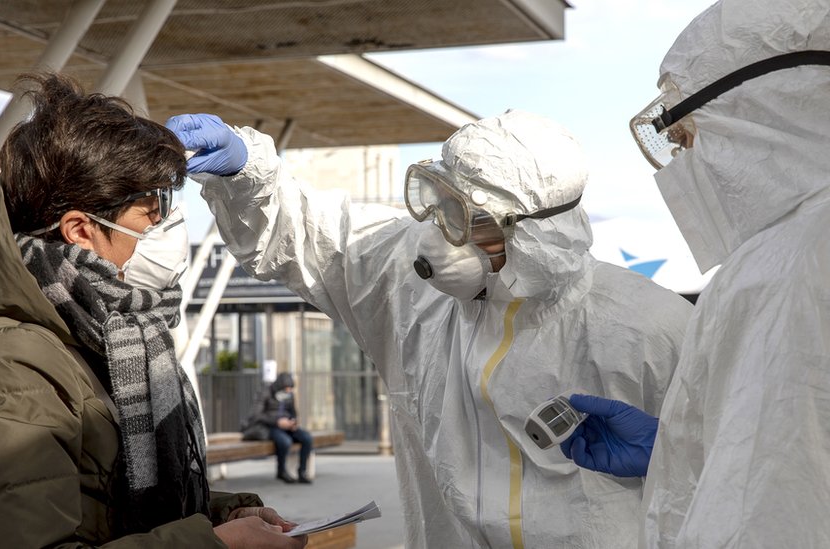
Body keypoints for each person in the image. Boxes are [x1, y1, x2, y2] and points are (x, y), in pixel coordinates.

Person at [166, 108, 694, 547]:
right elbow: (311, 234)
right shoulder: (410, 287)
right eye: (439, 203)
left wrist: (682, 456)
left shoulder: (648, 327)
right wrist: (246, 172)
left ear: (536, 234)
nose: (440, 235)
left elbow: (721, 475)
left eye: (467, 219)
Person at [0, 72, 305, 549]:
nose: (166, 225)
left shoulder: (101, 329)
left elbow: (115, 505)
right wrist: (218, 544)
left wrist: (224, 515)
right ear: (80, 230)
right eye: (150, 211)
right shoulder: (4, 370)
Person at [559, 0, 830, 546]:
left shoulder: (788, 265)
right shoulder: (803, 243)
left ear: (752, 116)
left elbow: (778, 507)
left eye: (686, 138)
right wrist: (675, 449)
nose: (683, 166)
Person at [242, 373, 314, 484]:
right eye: (286, 389)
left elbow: (293, 412)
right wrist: (277, 422)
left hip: (288, 427)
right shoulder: (265, 393)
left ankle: (302, 471)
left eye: (290, 389)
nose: (288, 391)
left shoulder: (289, 395)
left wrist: (292, 422)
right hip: (271, 426)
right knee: (285, 441)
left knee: (307, 438)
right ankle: (281, 471)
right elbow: (256, 415)